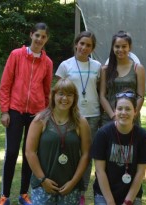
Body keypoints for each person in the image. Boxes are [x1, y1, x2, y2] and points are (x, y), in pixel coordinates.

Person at [0, 22, 53, 205]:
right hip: (15, 111)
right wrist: (5, 111)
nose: (39, 39)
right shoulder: (16, 55)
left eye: (43, 37)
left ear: (47, 39)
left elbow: (47, 92)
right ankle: (4, 195)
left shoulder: (47, 62)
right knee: (12, 152)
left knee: (30, 153)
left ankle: (24, 194)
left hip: (36, 115)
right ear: (31, 35)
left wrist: (45, 115)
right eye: (37, 35)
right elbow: (5, 84)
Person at [25, 78, 91, 205]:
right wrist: (42, 179)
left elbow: (86, 154)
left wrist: (73, 182)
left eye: (69, 95)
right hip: (43, 186)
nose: (65, 99)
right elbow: (30, 152)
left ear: (75, 98)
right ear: (53, 95)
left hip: (70, 187)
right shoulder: (40, 120)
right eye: (61, 94)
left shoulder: (81, 122)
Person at [55, 30, 101, 205]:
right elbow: (58, 92)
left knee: (87, 155)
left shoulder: (97, 66)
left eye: (88, 45)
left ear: (92, 48)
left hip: (93, 116)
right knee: (68, 151)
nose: (84, 47)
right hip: (71, 115)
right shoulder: (65, 65)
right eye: (81, 43)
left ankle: (81, 191)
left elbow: (100, 90)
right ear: (76, 44)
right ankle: (65, 186)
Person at [92, 89, 146, 205]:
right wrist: (110, 202)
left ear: (135, 111)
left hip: (131, 194)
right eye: (120, 108)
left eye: (128, 109)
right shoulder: (103, 134)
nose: (123, 112)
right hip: (104, 194)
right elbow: (100, 171)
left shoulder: (143, 137)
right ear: (115, 111)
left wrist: (127, 202)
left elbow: (140, 173)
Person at [99, 31, 145, 126]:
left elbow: (140, 96)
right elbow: (102, 96)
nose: (120, 49)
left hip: (131, 118)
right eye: (117, 46)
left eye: (124, 46)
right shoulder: (105, 70)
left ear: (129, 47)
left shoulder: (138, 68)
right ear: (113, 48)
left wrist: (133, 115)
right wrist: (113, 116)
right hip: (110, 119)